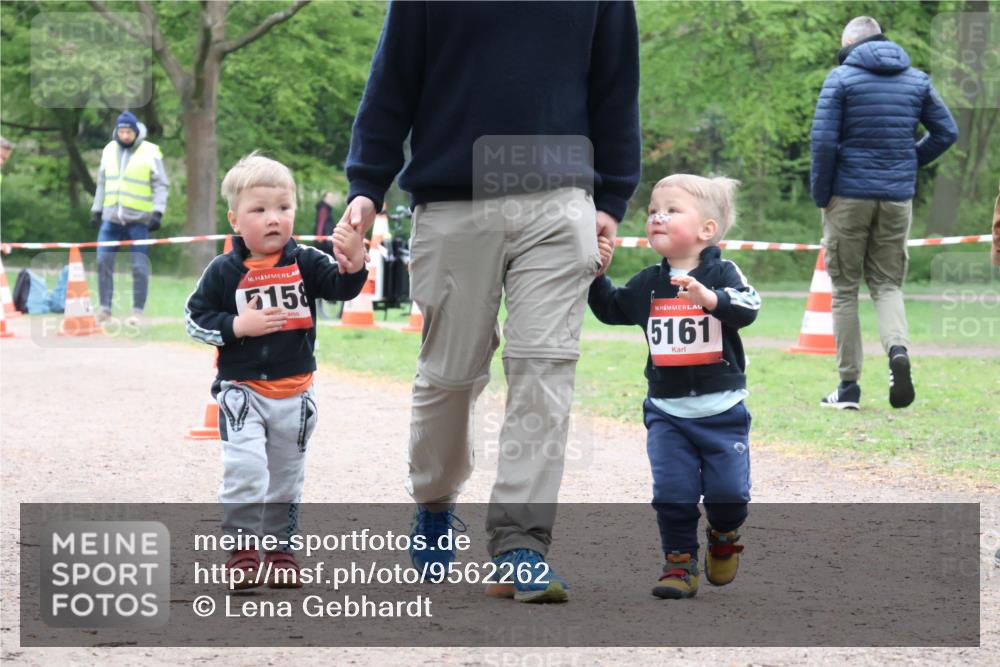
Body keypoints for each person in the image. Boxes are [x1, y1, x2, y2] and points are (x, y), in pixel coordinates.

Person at [340, 1, 641, 603]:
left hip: (560, 203)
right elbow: (392, 79)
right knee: (450, 376)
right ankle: (434, 499)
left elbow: (615, 87)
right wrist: (366, 185)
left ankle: (520, 546)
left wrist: (611, 197)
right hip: (454, 201)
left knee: (544, 370)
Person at [184, 153, 367, 588]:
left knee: (285, 477)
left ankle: (280, 549)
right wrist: (234, 326)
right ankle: (244, 550)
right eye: (259, 210)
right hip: (242, 392)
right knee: (246, 471)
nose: (273, 219)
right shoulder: (223, 271)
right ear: (235, 220)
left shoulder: (306, 261)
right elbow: (195, 318)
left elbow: (341, 288)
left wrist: (355, 261)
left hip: (295, 395)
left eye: (283, 209)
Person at [589, 174, 759, 600]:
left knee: (729, 495)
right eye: (652, 212)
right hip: (667, 412)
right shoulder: (648, 282)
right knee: (672, 493)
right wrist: (596, 276)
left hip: (722, 411)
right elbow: (611, 310)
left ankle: (724, 533)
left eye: (671, 210)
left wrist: (711, 298)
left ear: (707, 230)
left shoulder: (722, 272)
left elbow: (749, 306)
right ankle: (679, 564)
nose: (657, 218)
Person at [810, 16, 958, 410]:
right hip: (896, 198)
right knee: (887, 286)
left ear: (849, 43)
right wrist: (908, 163)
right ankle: (897, 351)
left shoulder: (840, 79)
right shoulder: (917, 80)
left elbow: (823, 141)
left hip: (848, 196)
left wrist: (821, 194)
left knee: (844, 291)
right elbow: (946, 132)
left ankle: (848, 387)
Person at [90, 111, 170, 327]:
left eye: (129, 132)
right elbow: (102, 183)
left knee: (139, 266)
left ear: (136, 132)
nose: (125, 135)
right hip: (111, 220)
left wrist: (157, 212)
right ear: (117, 131)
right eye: (121, 131)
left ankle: (137, 311)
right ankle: (105, 309)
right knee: (102, 261)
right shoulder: (108, 150)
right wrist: (96, 209)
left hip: (139, 221)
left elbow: (161, 184)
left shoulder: (150, 152)